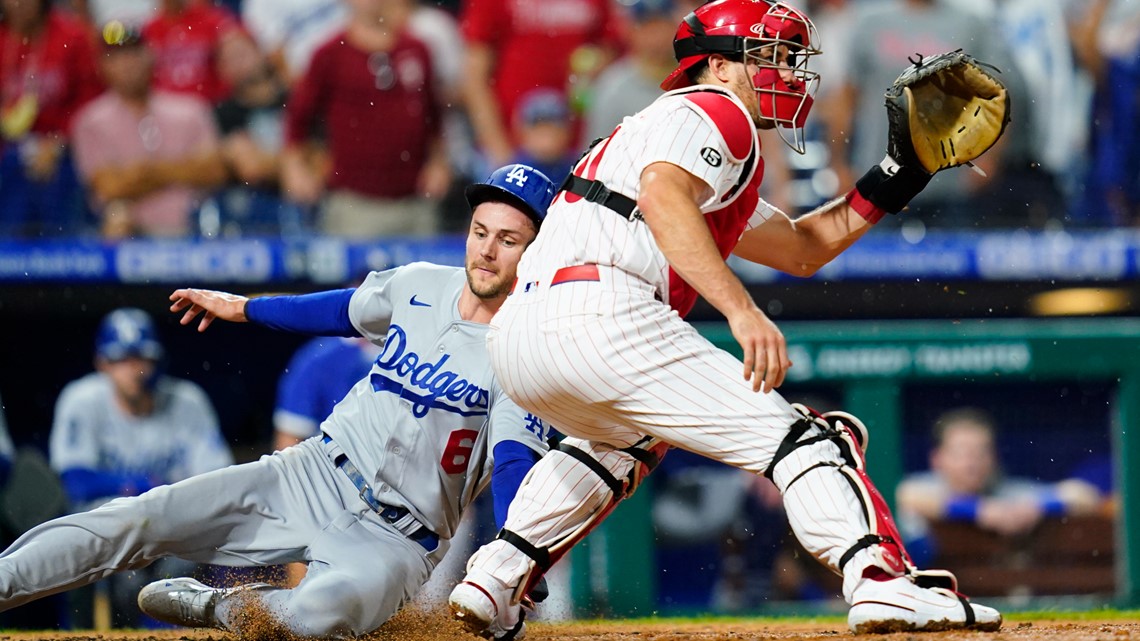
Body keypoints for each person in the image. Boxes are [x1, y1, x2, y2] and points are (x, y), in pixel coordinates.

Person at [446, 0, 1003, 635]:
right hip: (603, 313)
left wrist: (899, 172)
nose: (792, 73)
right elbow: (663, 198)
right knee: (813, 440)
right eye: (776, 56)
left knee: (624, 442)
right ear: (719, 65)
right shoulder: (718, 111)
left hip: (525, 332)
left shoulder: (668, 128)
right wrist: (741, 311)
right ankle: (880, 580)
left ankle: (495, 576)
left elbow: (800, 247)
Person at [0, 164, 557, 640]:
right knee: (139, 518)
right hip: (313, 473)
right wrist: (245, 309)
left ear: (534, 255)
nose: (486, 250)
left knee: (316, 618)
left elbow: (513, 461)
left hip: (397, 539)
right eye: (480, 231)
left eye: (508, 240)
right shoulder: (420, 284)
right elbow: (340, 310)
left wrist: (517, 556)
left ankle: (218, 606)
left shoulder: (521, 351)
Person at [49, 307, 233, 626]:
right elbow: (75, 481)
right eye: (121, 359)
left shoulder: (187, 400)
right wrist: (141, 486)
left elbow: (219, 479)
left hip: (174, 530)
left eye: (142, 358)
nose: (133, 369)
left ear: (157, 361)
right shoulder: (82, 399)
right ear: (102, 363)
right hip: (109, 530)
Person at [281, 0, 450, 238]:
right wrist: (295, 168)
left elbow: (434, 116)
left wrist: (438, 163)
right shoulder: (329, 55)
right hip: (355, 202)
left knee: (423, 274)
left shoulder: (417, 49)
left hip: (416, 199)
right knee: (358, 275)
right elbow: (298, 117)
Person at [71, 23, 227, 238]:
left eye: (133, 53)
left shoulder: (190, 109)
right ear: (104, 65)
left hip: (195, 233)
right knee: (116, 219)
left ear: (150, 56)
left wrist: (144, 173)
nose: (127, 63)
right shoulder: (90, 121)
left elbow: (214, 171)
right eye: (116, 57)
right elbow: (108, 187)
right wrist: (184, 169)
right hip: (131, 235)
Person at [896, 408, 1103, 552]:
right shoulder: (927, 487)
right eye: (961, 453)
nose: (971, 463)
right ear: (937, 458)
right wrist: (975, 509)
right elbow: (900, 495)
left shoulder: (1005, 491)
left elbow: (1084, 494)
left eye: (980, 453)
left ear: (993, 457)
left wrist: (1038, 505)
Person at [0, 0, 102, 238]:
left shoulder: (72, 36)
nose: (19, 4)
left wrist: (59, 143)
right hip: (8, 155)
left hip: (64, 153)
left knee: (60, 219)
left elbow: (89, 102)